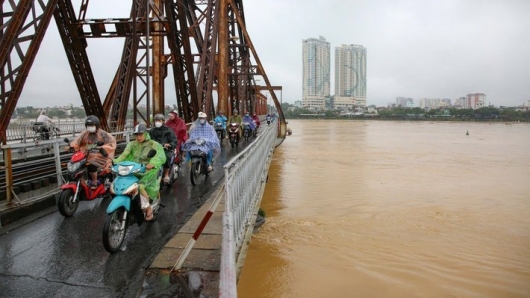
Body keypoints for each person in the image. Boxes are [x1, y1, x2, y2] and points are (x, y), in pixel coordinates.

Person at [113, 124, 166, 221]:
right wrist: (114, 162)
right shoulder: (132, 144)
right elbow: (124, 155)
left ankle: (148, 208)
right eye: (136, 135)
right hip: (134, 169)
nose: (138, 137)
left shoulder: (153, 144)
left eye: (140, 134)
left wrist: (152, 164)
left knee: (139, 186)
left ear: (145, 134)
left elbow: (158, 156)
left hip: (148, 170)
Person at [69, 115, 117, 189]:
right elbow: (77, 141)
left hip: (99, 157)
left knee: (91, 165)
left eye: (92, 125)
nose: (90, 127)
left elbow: (111, 143)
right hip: (86, 156)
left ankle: (94, 182)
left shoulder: (103, 134)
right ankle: (82, 183)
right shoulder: (85, 133)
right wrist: (72, 146)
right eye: (88, 125)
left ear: (97, 125)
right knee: (76, 166)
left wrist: (104, 148)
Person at [149, 113, 177, 184]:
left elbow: (174, 140)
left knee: (166, 157)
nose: (157, 122)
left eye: (159, 120)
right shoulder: (152, 131)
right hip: (156, 149)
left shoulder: (169, 130)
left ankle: (166, 174)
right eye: (156, 120)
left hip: (166, 149)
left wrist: (170, 144)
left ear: (163, 121)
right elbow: (149, 140)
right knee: (148, 157)